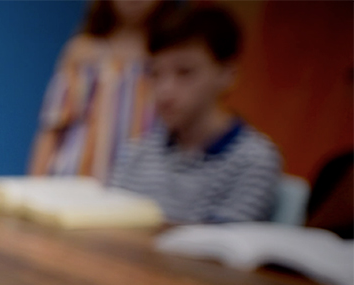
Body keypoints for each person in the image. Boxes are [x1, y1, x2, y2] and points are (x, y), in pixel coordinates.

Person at [109, 4, 282, 224]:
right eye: (155, 74)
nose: (164, 91)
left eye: (185, 72)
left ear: (228, 75)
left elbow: (221, 250)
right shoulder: (138, 152)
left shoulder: (253, 160)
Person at [29, 0, 173, 181]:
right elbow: (53, 124)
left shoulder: (170, 59)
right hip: (73, 186)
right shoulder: (83, 51)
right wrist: (34, 185)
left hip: (140, 190)